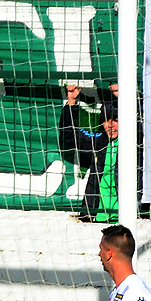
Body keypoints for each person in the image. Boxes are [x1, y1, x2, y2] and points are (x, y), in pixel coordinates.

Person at [60, 85, 119, 222]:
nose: (110, 125)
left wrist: (122, 95)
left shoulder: (136, 144)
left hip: (127, 216)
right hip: (96, 216)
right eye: (106, 120)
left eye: (115, 120)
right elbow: (70, 134)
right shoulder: (98, 142)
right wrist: (71, 103)